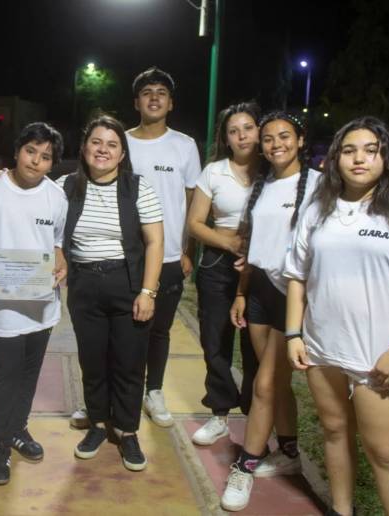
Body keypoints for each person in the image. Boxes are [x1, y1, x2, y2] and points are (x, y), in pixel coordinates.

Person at [285, 117, 389, 516]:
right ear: (336, 158)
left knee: (387, 453)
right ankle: (342, 510)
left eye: (370, 150)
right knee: (335, 432)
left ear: (386, 158)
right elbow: (297, 276)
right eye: (349, 150)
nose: (359, 158)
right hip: (322, 351)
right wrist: (294, 333)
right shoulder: (318, 211)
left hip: (380, 357)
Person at [70, 67, 201, 430]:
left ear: (171, 102)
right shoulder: (118, 142)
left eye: (161, 92)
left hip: (168, 252)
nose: (154, 97)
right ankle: (101, 402)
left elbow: (190, 202)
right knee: (114, 337)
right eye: (147, 92)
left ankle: (153, 391)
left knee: (157, 331)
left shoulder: (185, 145)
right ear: (136, 102)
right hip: (125, 258)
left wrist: (187, 250)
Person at [0, 122, 68, 485]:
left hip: (41, 307)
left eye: (46, 156)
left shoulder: (56, 197)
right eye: (30, 151)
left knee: (28, 375)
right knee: (3, 378)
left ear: (53, 163)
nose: (36, 161)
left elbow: (56, 244)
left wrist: (60, 261)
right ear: (17, 151)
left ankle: (19, 429)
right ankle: (0, 449)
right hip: (1, 309)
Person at [221, 111, 321, 511]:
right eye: (268, 138)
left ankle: (245, 465)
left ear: (300, 140)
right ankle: (290, 452)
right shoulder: (263, 185)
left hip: (295, 295)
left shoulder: (318, 184)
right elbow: (253, 246)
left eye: (284, 136)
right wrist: (242, 293)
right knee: (275, 382)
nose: (275, 144)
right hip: (260, 289)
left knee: (263, 385)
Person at [60, 115, 163, 472]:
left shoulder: (138, 187)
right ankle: (99, 424)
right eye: (96, 142)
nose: (102, 149)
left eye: (112, 144)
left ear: (122, 154)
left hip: (128, 283)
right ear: (85, 147)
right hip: (83, 285)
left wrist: (148, 292)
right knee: (92, 360)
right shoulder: (65, 186)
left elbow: (154, 242)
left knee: (129, 362)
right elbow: (28, 203)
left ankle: (128, 430)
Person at [187, 102, 261, 445]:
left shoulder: (274, 171)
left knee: (256, 347)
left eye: (247, 127)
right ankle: (219, 414)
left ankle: (256, 419)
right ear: (225, 138)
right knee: (215, 341)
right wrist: (229, 243)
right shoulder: (214, 171)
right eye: (234, 130)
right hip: (218, 264)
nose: (241, 135)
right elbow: (195, 223)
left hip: (262, 267)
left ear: (259, 131)